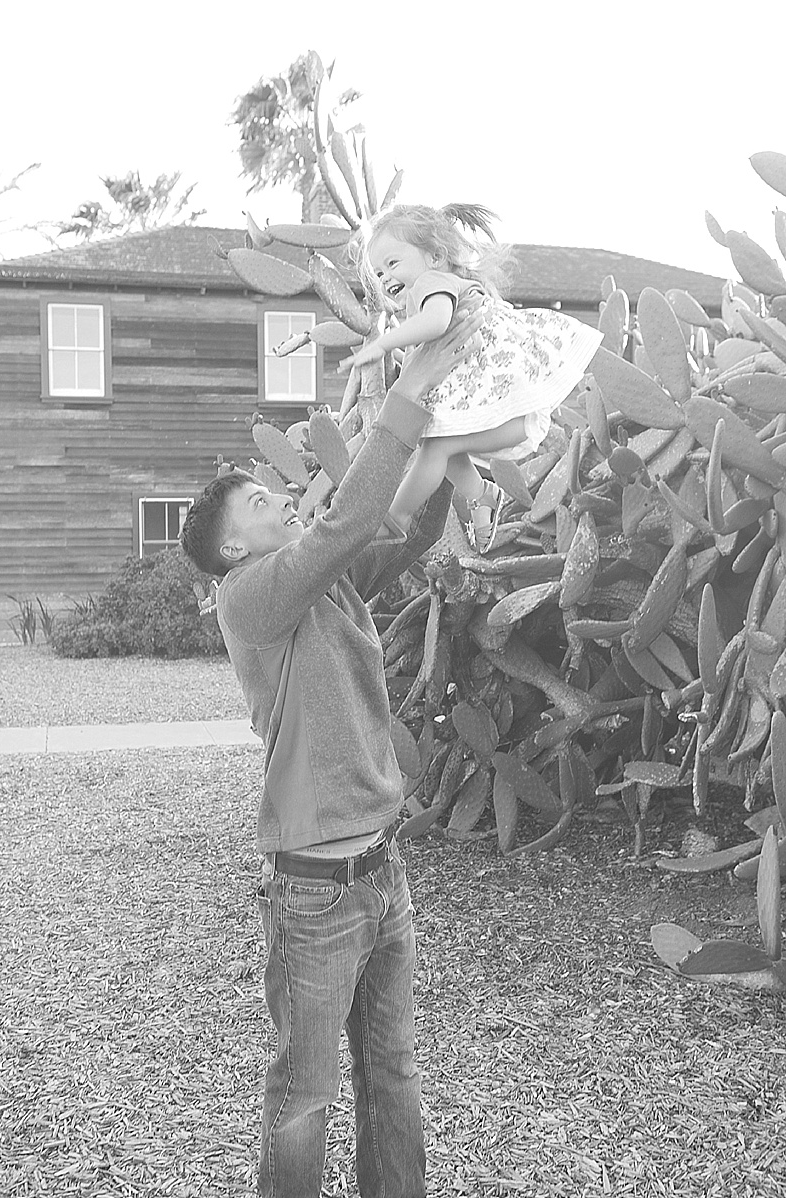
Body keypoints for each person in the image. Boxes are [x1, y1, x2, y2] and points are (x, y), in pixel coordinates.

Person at [179, 298, 484, 1198]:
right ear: (235, 542)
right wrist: (414, 389)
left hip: (383, 874)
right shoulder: (250, 600)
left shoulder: (324, 590)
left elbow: (393, 533)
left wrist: (452, 468)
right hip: (313, 890)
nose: (285, 500)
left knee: (393, 1075)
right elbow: (347, 524)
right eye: (264, 501)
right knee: (302, 1094)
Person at [338, 203, 601, 546]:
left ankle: (396, 518)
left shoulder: (431, 283)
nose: (385, 278)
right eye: (378, 273)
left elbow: (436, 322)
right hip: (510, 411)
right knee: (438, 444)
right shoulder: (445, 285)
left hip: (509, 412)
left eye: (393, 263)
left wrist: (382, 344)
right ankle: (480, 495)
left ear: (435, 256)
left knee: (434, 449)